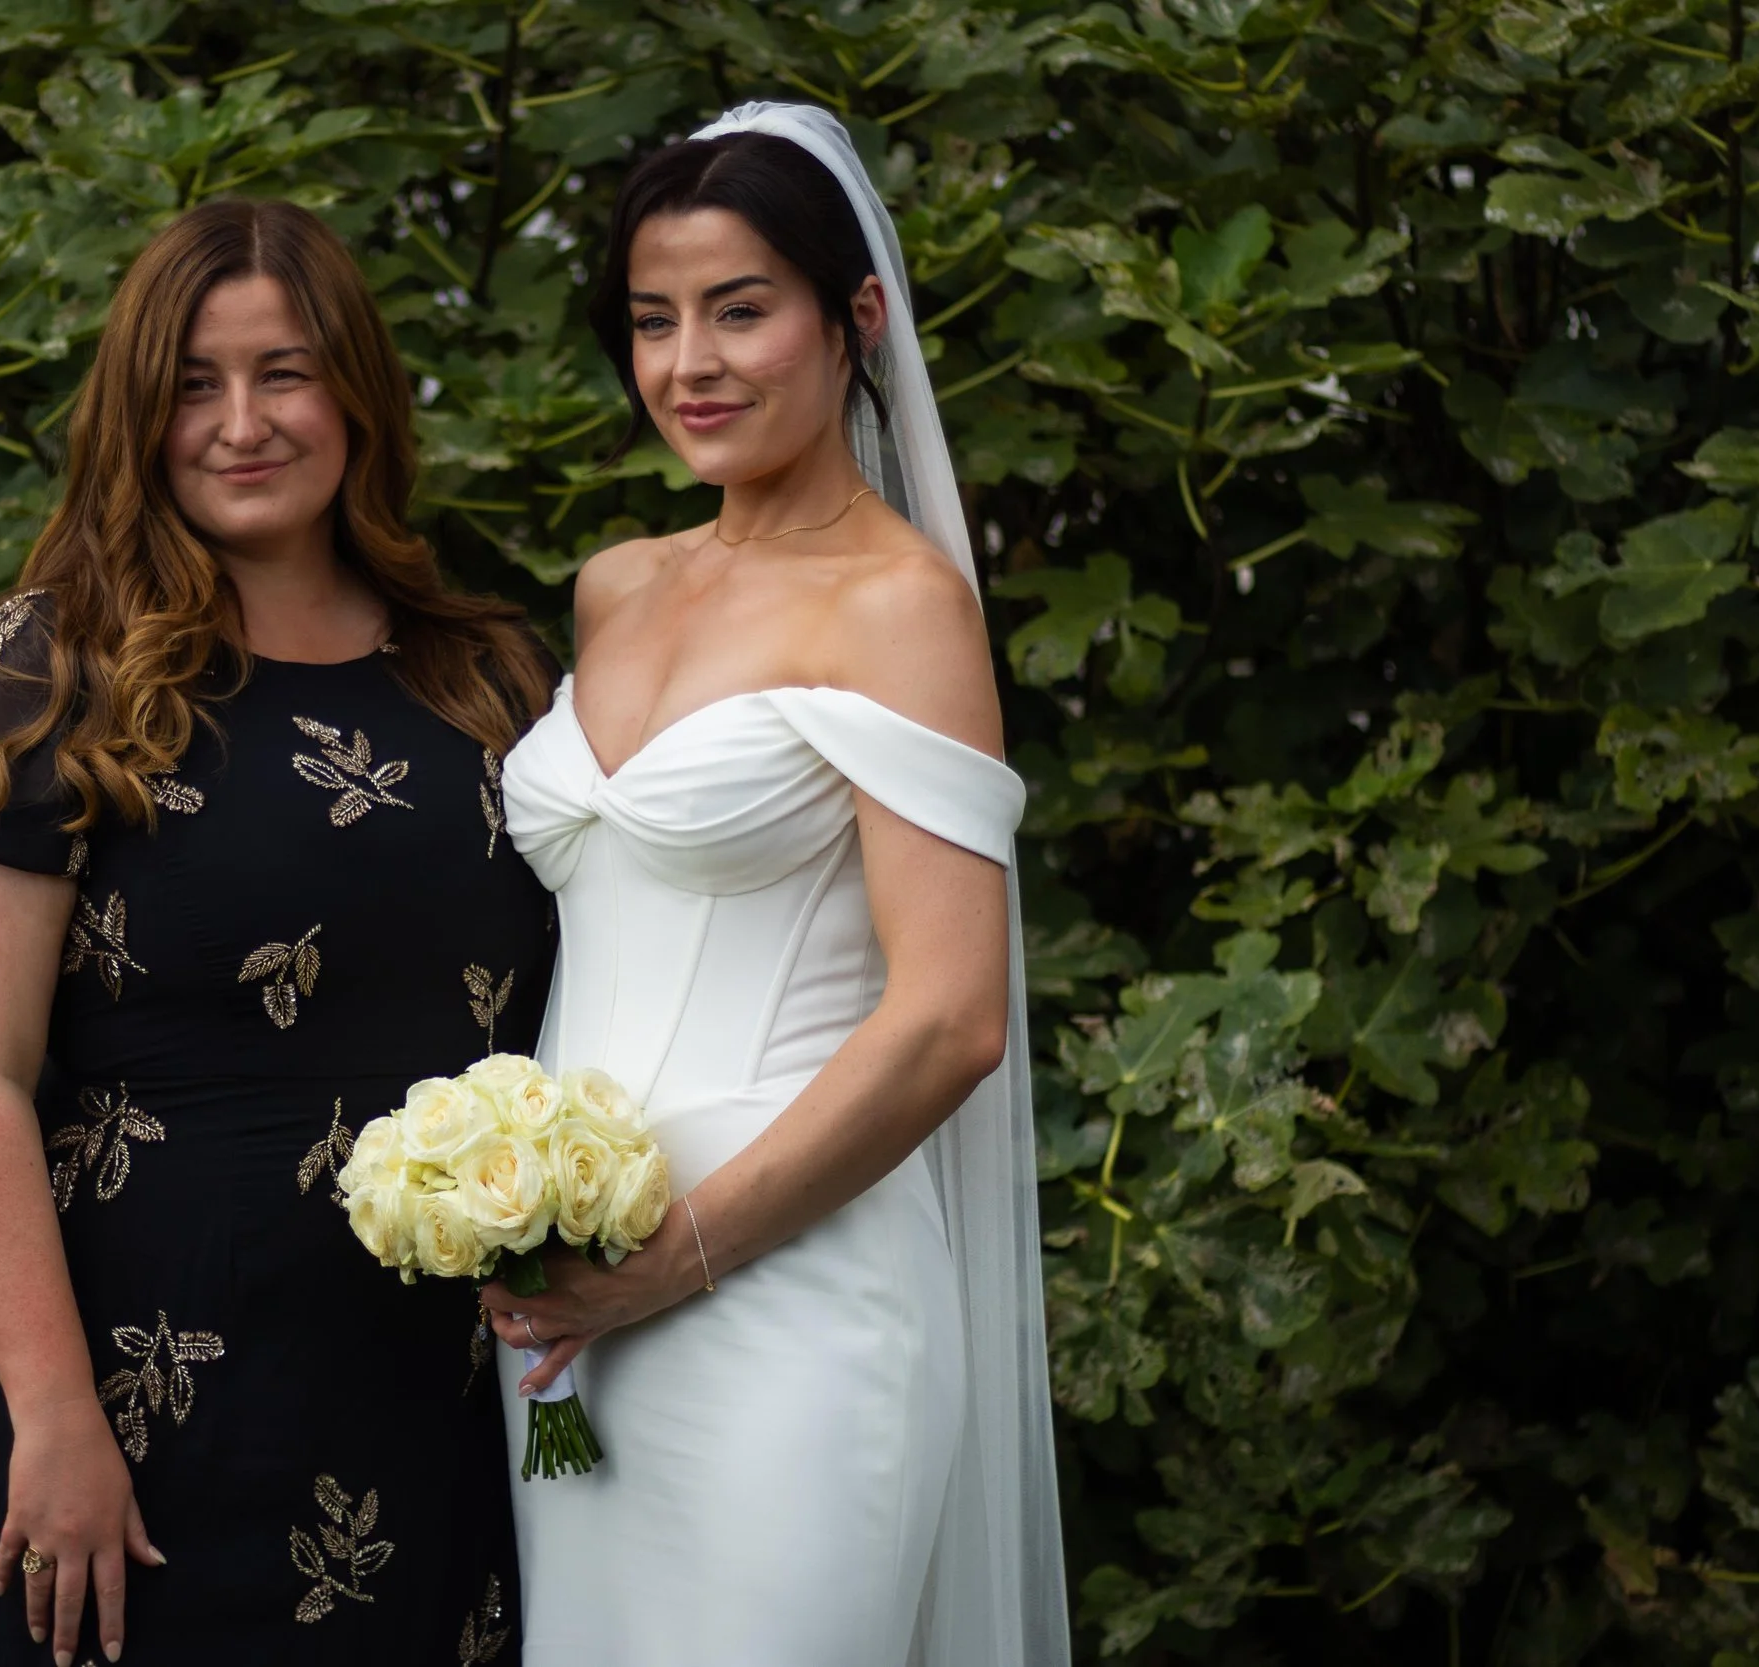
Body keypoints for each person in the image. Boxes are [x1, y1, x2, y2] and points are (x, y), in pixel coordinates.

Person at [0, 197, 558, 1667]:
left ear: (357, 391)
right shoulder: (52, 668)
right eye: (192, 383)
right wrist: (54, 1417)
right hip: (127, 1412)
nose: (241, 422)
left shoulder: (489, 677)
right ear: (136, 413)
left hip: (429, 1410)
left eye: (285, 371)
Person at [480, 105, 1071, 1665]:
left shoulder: (900, 608)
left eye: (741, 310)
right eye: (654, 320)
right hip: (566, 1296)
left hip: (786, 1287)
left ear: (853, 317)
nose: (692, 363)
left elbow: (950, 1021)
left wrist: (668, 1260)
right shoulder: (617, 584)